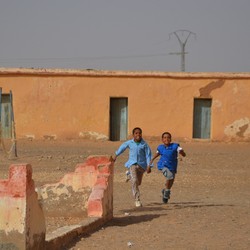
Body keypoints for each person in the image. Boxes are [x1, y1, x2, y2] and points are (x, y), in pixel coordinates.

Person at [112, 127, 152, 207]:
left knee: (138, 182)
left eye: (139, 133)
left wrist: (149, 165)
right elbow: (122, 148)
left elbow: (148, 155)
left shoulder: (144, 144)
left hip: (142, 165)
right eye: (136, 133)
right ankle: (137, 199)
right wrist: (116, 155)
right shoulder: (130, 143)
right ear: (133, 135)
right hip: (132, 164)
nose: (138, 135)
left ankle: (129, 174)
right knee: (134, 181)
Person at [149, 132, 186, 203]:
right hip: (162, 165)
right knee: (169, 176)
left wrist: (182, 153)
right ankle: (166, 193)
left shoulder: (175, 146)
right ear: (162, 139)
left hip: (172, 166)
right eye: (165, 138)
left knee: (171, 181)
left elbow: (182, 153)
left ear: (171, 139)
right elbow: (157, 154)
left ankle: (165, 191)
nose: (166, 139)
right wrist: (151, 161)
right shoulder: (160, 147)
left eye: (168, 137)